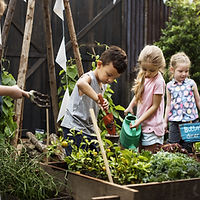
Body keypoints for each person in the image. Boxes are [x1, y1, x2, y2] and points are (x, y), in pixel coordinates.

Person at [61, 45, 127, 155]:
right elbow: (81, 84)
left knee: (92, 160)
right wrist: (97, 98)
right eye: (109, 75)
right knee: (77, 162)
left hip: (88, 129)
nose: (110, 80)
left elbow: (93, 103)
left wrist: (102, 104)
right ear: (99, 64)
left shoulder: (103, 84)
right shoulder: (89, 77)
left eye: (114, 78)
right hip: (74, 127)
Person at [124, 45, 166, 152]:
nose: (147, 73)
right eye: (144, 69)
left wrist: (138, 121)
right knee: (139, 155)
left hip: (152, 127)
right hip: (141, 123)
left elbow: (155, 106)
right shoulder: (144, 75)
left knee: (149, 157)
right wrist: (130, 106)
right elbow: (138, 93)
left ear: (159, 67)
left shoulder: (159, 82)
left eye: (152, 70)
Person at [164, 52, 200, 153]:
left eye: (186, 71)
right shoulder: (169, 86)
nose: (184, 74)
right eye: (180, 71)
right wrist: (164, 121)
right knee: (172, 145)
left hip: (190, 121)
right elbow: (168, 105)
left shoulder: (191, 83)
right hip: (174, 121)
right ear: (172, 70)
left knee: (188, 147)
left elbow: (198, 101)